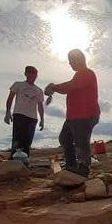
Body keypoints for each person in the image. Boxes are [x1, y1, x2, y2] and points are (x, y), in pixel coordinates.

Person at [45, 49, 100, 178]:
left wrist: (53, 87)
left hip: (84, 115)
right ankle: (71, 165)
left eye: (71, 61)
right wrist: (55, 88)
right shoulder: (80, 75)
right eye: (69, 61)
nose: (70, 64)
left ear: (80, 59)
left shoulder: (86, 73)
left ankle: (83, 167)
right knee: (64, 138)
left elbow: (70, 86)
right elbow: (70, 86)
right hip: (74, 117)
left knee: (81, 141)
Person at [4, 66, 44, 158]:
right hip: (19, 114)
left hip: (32, 117)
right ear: (26, 74)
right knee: (17, 139)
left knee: (27, 141)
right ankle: (13, 160)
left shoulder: (39, 90)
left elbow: (40, 105)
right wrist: (7, 112)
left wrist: (42, 119)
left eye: (34, 74)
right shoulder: (18, 84)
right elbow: (10, 98)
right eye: (30, 73)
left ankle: (24, 162)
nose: (32, 76)